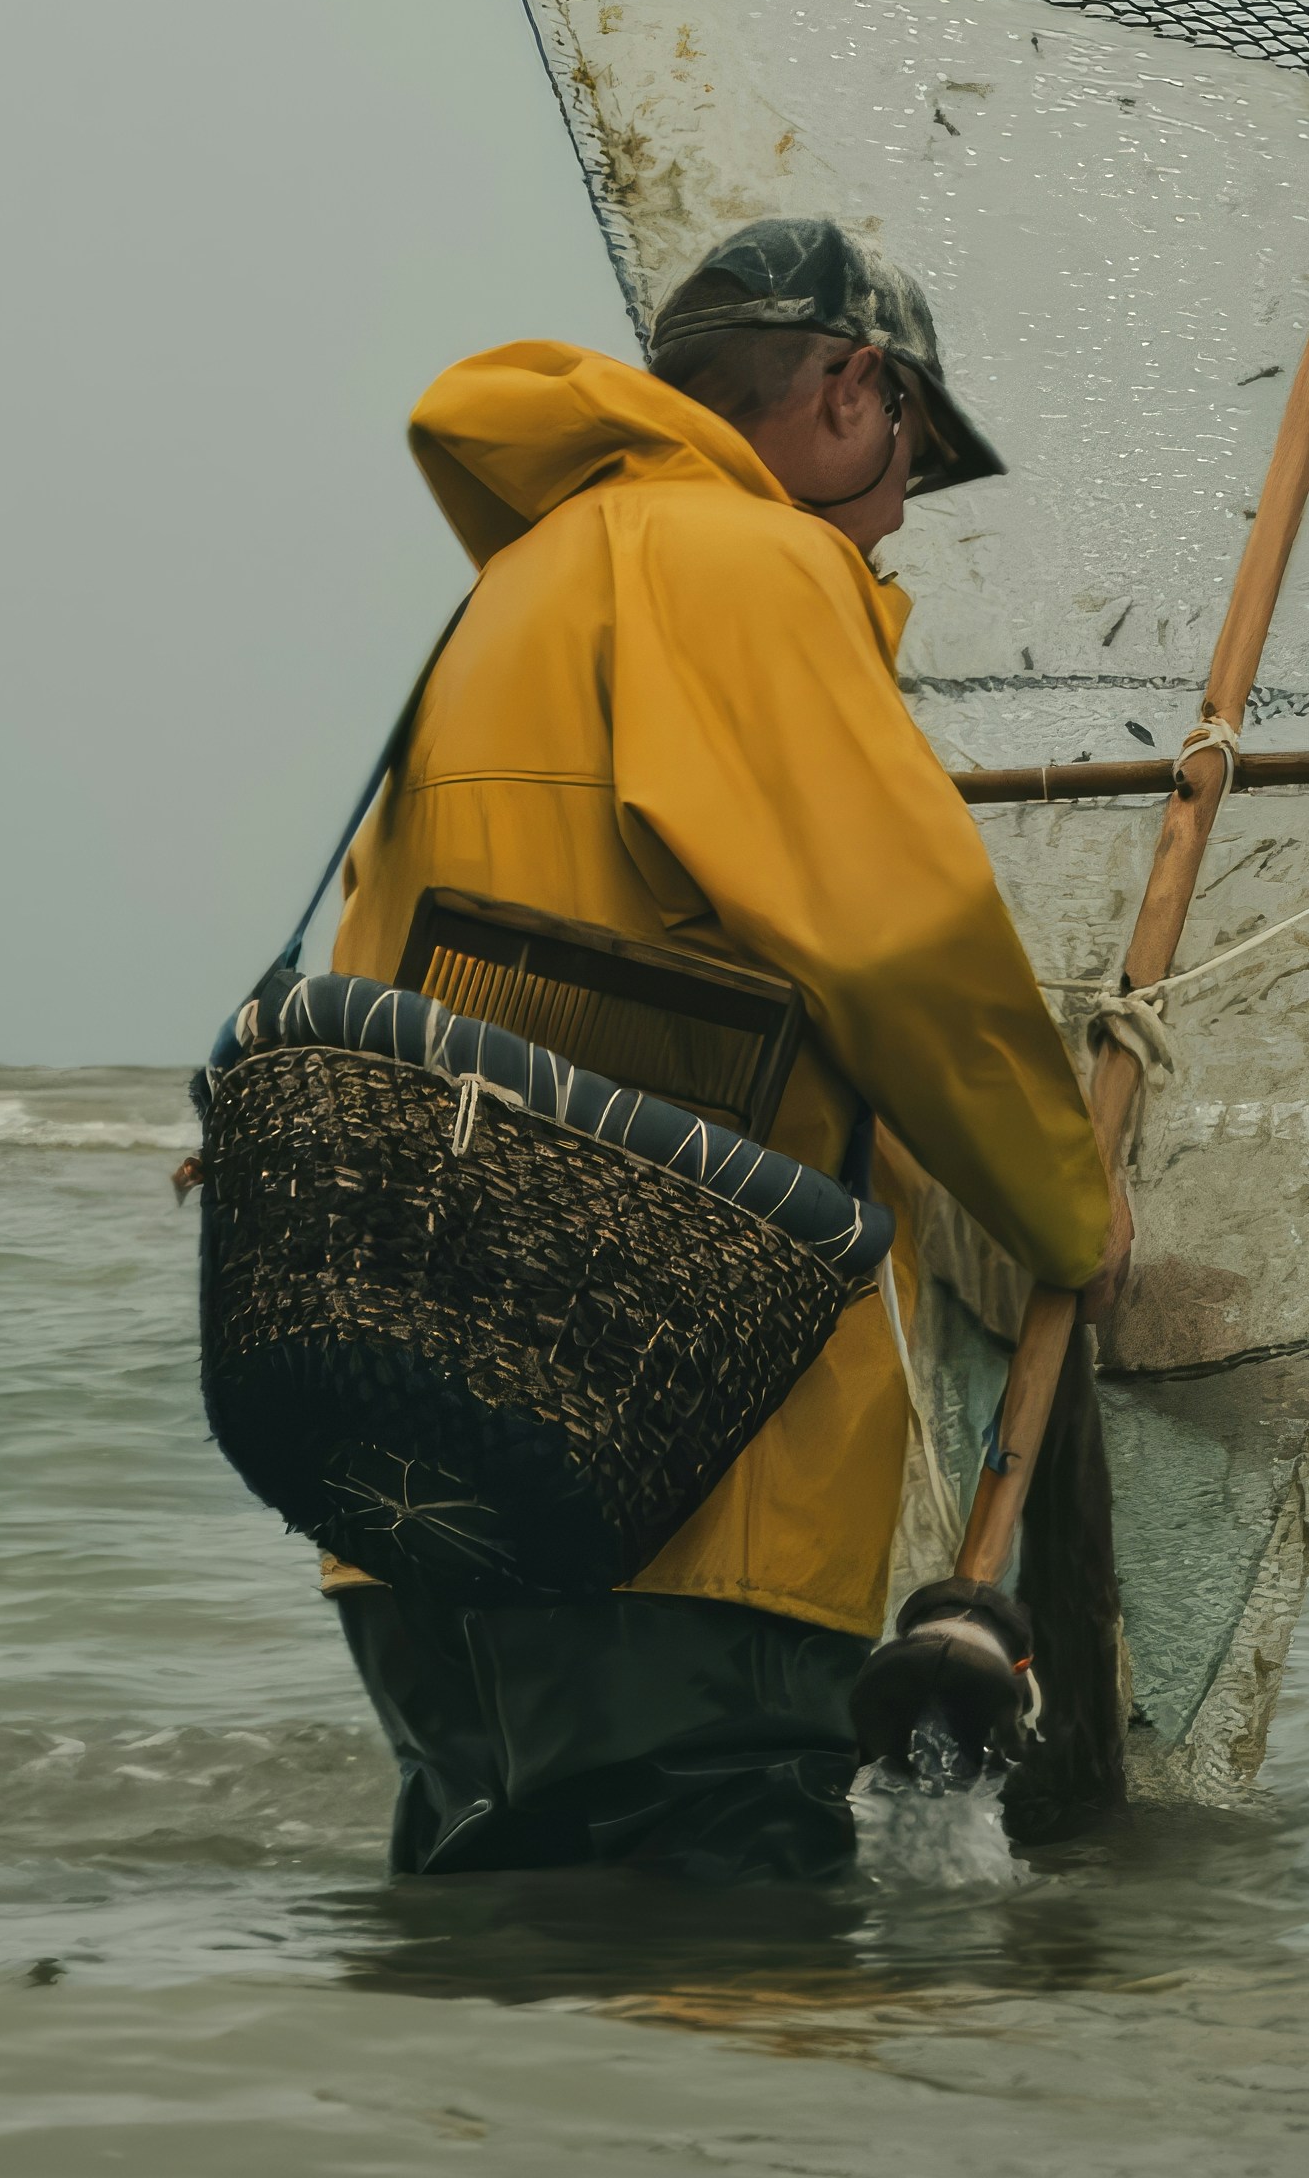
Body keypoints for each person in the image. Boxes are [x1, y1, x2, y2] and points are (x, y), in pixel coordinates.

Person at [317, 216, 1120, 1886]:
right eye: (913, 455)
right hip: (683, 1502)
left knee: (501, 2008)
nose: (900, 514)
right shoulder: (744, 567)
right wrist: (1069, 1210)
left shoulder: (516, 591)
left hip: (425, 1498)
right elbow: (898, 943)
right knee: (718, 2023)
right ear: (849, 388)